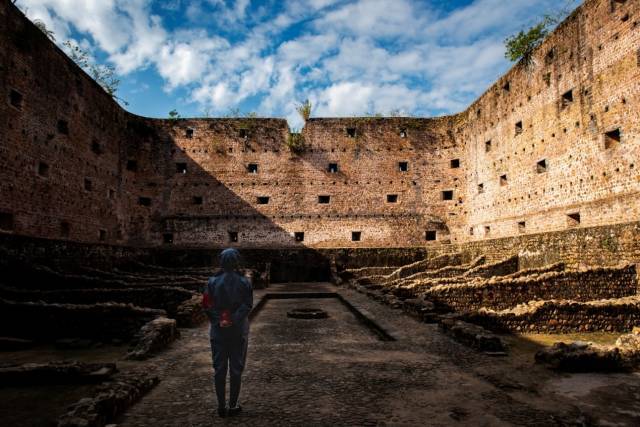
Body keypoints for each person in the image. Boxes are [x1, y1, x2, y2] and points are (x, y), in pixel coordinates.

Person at [202, 248, 253, 418]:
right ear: (236, 261)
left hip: (218, 332)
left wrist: (219, 320)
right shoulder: (244, 282)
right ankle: (233, 405)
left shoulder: (212, 282)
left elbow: (207, 305)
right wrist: (234, 319)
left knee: (219, 369)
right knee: (236, 368)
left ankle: (221, 406)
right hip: (238, 331)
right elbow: (247, 304)